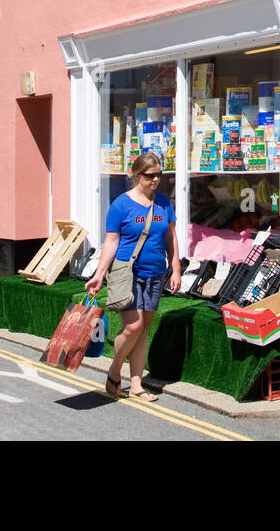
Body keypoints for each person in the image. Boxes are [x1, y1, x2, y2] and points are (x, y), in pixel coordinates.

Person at [85, 152, 181, 400]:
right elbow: (111, 241)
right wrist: (99, 275)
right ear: (137, 175)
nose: (156, 180)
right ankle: (115, 371)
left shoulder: (163, 203)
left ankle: (136, 385)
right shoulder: (121, 205)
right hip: (128, 274)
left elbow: (171, 236)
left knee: (143, 328)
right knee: (133, 325)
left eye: (159, 174)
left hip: (155, 273)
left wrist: (176, 268)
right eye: (151, 175)